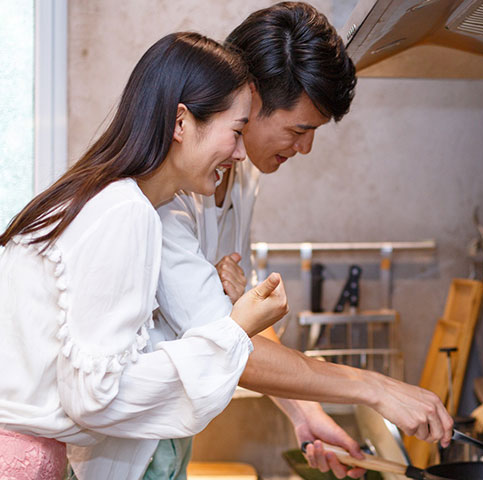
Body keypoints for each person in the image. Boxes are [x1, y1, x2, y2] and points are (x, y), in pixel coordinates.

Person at [67, 4, 453, 480]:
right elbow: (224, 339)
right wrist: (373, 388)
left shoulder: (239, 179)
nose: (306, 148)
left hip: (168, 439)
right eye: (299, 130)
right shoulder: (158, 202)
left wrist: (305, 412)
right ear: (249, 102)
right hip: (120, 453)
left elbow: (237, 321)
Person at [0, 32, 290, 479]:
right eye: (235, 132)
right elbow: (96, 398)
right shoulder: (126, 210)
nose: (238, 152)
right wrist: (237, 329)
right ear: (181, 122)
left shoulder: (100, 196)